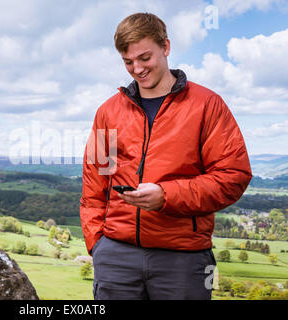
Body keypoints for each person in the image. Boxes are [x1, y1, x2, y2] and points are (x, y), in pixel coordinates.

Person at [79, 12, 252, 300]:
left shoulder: (207, 106)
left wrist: (166, 195)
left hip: (184, 260)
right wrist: (97, 243)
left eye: (144, 58)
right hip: (115, 257)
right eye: (128, 62)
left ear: (166, 47)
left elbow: (233, 177)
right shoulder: (108, 111)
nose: (137, 68)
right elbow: (97, 180)